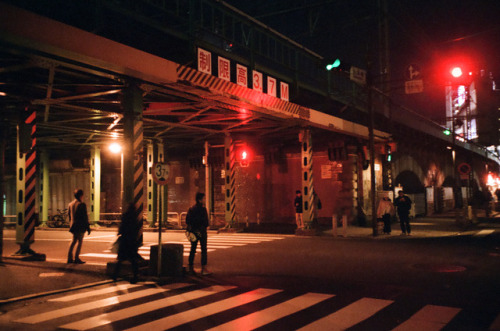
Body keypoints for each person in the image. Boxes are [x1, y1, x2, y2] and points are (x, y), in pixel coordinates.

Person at [112, 203, 142, 283]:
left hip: (124, 240)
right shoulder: (135, 217)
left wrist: (119, 232)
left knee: (120, 259)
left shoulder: (125, 216)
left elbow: (121, 227)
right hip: (131, 241)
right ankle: (135, 277)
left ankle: (115, 275)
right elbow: (137, 229)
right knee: (133, 260)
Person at [186, 192, 211, 276]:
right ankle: (203, 269)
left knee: (193, 249)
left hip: (194, 232)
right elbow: (206, 222)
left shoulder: (191, 209)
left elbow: (187, 221)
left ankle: (190, 268)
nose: (204, 200)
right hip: (202, 232)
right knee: (203, 250)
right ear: (200, 200)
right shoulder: (203, 209)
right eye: (204, 198)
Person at [67, 189, 91, 264]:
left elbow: (69, 216)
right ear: (81, 195)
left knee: (73, 241)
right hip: (80, 226)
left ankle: (69, 258)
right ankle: (76, 258)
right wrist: (88, 227)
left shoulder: (70, 204)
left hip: (73, 225)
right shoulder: (82, 204)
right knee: (80, 242)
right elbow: (84, 217)